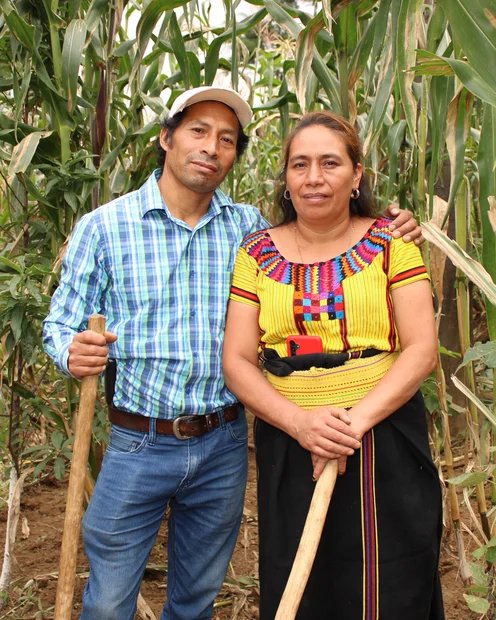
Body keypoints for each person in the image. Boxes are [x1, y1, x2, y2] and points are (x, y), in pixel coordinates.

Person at [43, 87, 425, 620]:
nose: (211, 147)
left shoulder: (248, 230)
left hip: (223, 443)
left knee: (198, 596)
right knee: (108, 601)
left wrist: (395, 224)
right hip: (139, 441)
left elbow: (326, 233)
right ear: (166, 137)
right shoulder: (105, 227)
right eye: (198, 131)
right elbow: (60, 324)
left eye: (227, 139)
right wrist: (72, 349)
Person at [223, 111, 444, 619]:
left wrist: (349, 426)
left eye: (329, 163)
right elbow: (236, 361)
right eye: (299, 165)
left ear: (356, 175)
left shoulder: (391, 242)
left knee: (389, 578)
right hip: (290, 436)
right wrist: (303, 425)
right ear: (285, 179)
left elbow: (420, 351)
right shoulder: (255, 253)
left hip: (383, 434)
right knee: (304, 581)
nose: (313, 178)